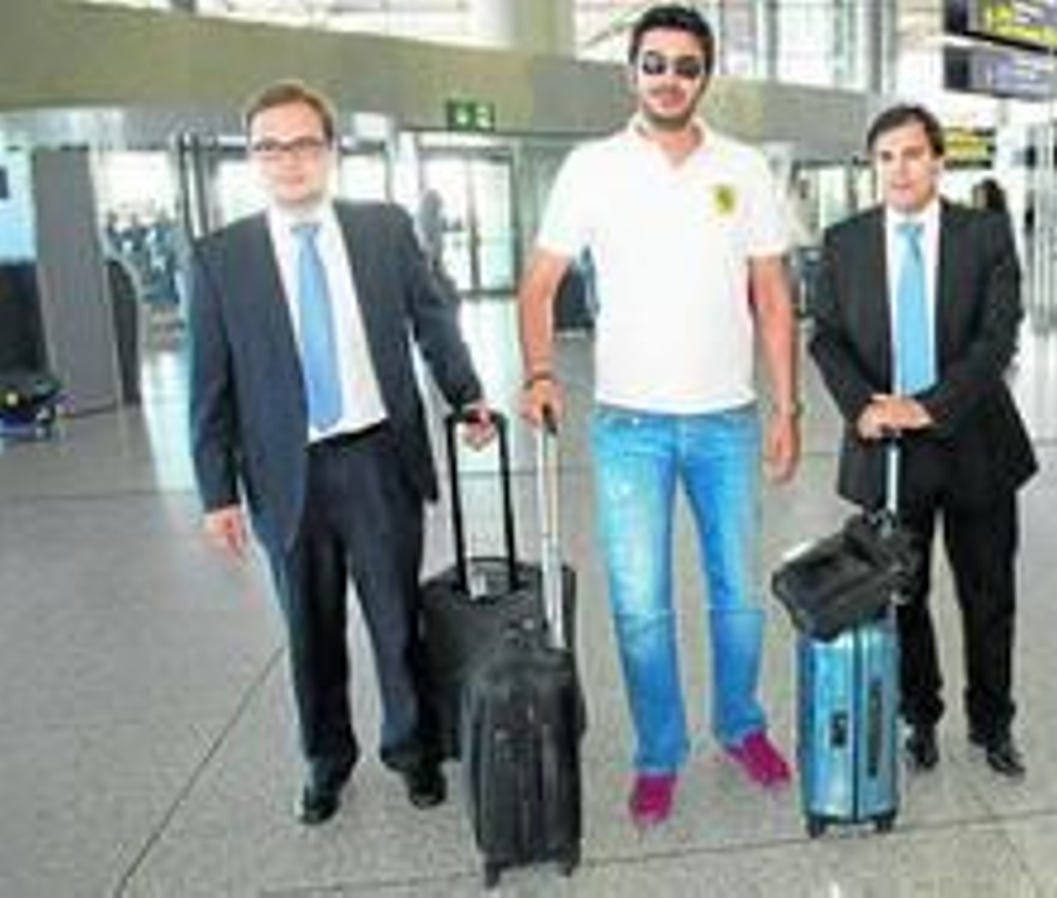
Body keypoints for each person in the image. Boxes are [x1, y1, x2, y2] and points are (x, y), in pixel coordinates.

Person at [516, 4, 800, 827]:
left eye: (685, 65)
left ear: (704, 77)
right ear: (631, 71)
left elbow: (774, 297)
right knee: (641, 605)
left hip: (728, 421)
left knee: (738, 598)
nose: (669, 78)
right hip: (629, 428)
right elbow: (538, 287)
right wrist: (538, 370)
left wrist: (787, 407)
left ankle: (740, 725)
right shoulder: (591, 167)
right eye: (655, 63)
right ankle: (658, 751)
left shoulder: (743, 167)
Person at [188, 80, 493, 827]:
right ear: (252, 157)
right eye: (270, 146)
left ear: (329, 151)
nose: (288, 160)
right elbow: (210, 385)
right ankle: (326, 762)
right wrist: (216, 493)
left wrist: (467, 394)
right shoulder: (222, 257)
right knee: (310, 631)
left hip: (379, 460)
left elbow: (433, 321)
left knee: (395, 622)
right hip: (285, 474)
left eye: (303, 143)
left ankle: (413, 750)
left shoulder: (382, 230)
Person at [810, 105, 1037, 779]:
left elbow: (998, 338)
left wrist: (927, 408)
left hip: (975, 442)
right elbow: (826, 336)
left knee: (988, 594)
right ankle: (921, 716)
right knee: (901, 593)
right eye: (886, 157)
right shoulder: (846, 241)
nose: (900, 169)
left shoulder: (985, 236)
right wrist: (864, 408)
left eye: (913, 154)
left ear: (939, 161)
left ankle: (993, 723)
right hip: (887, 453)